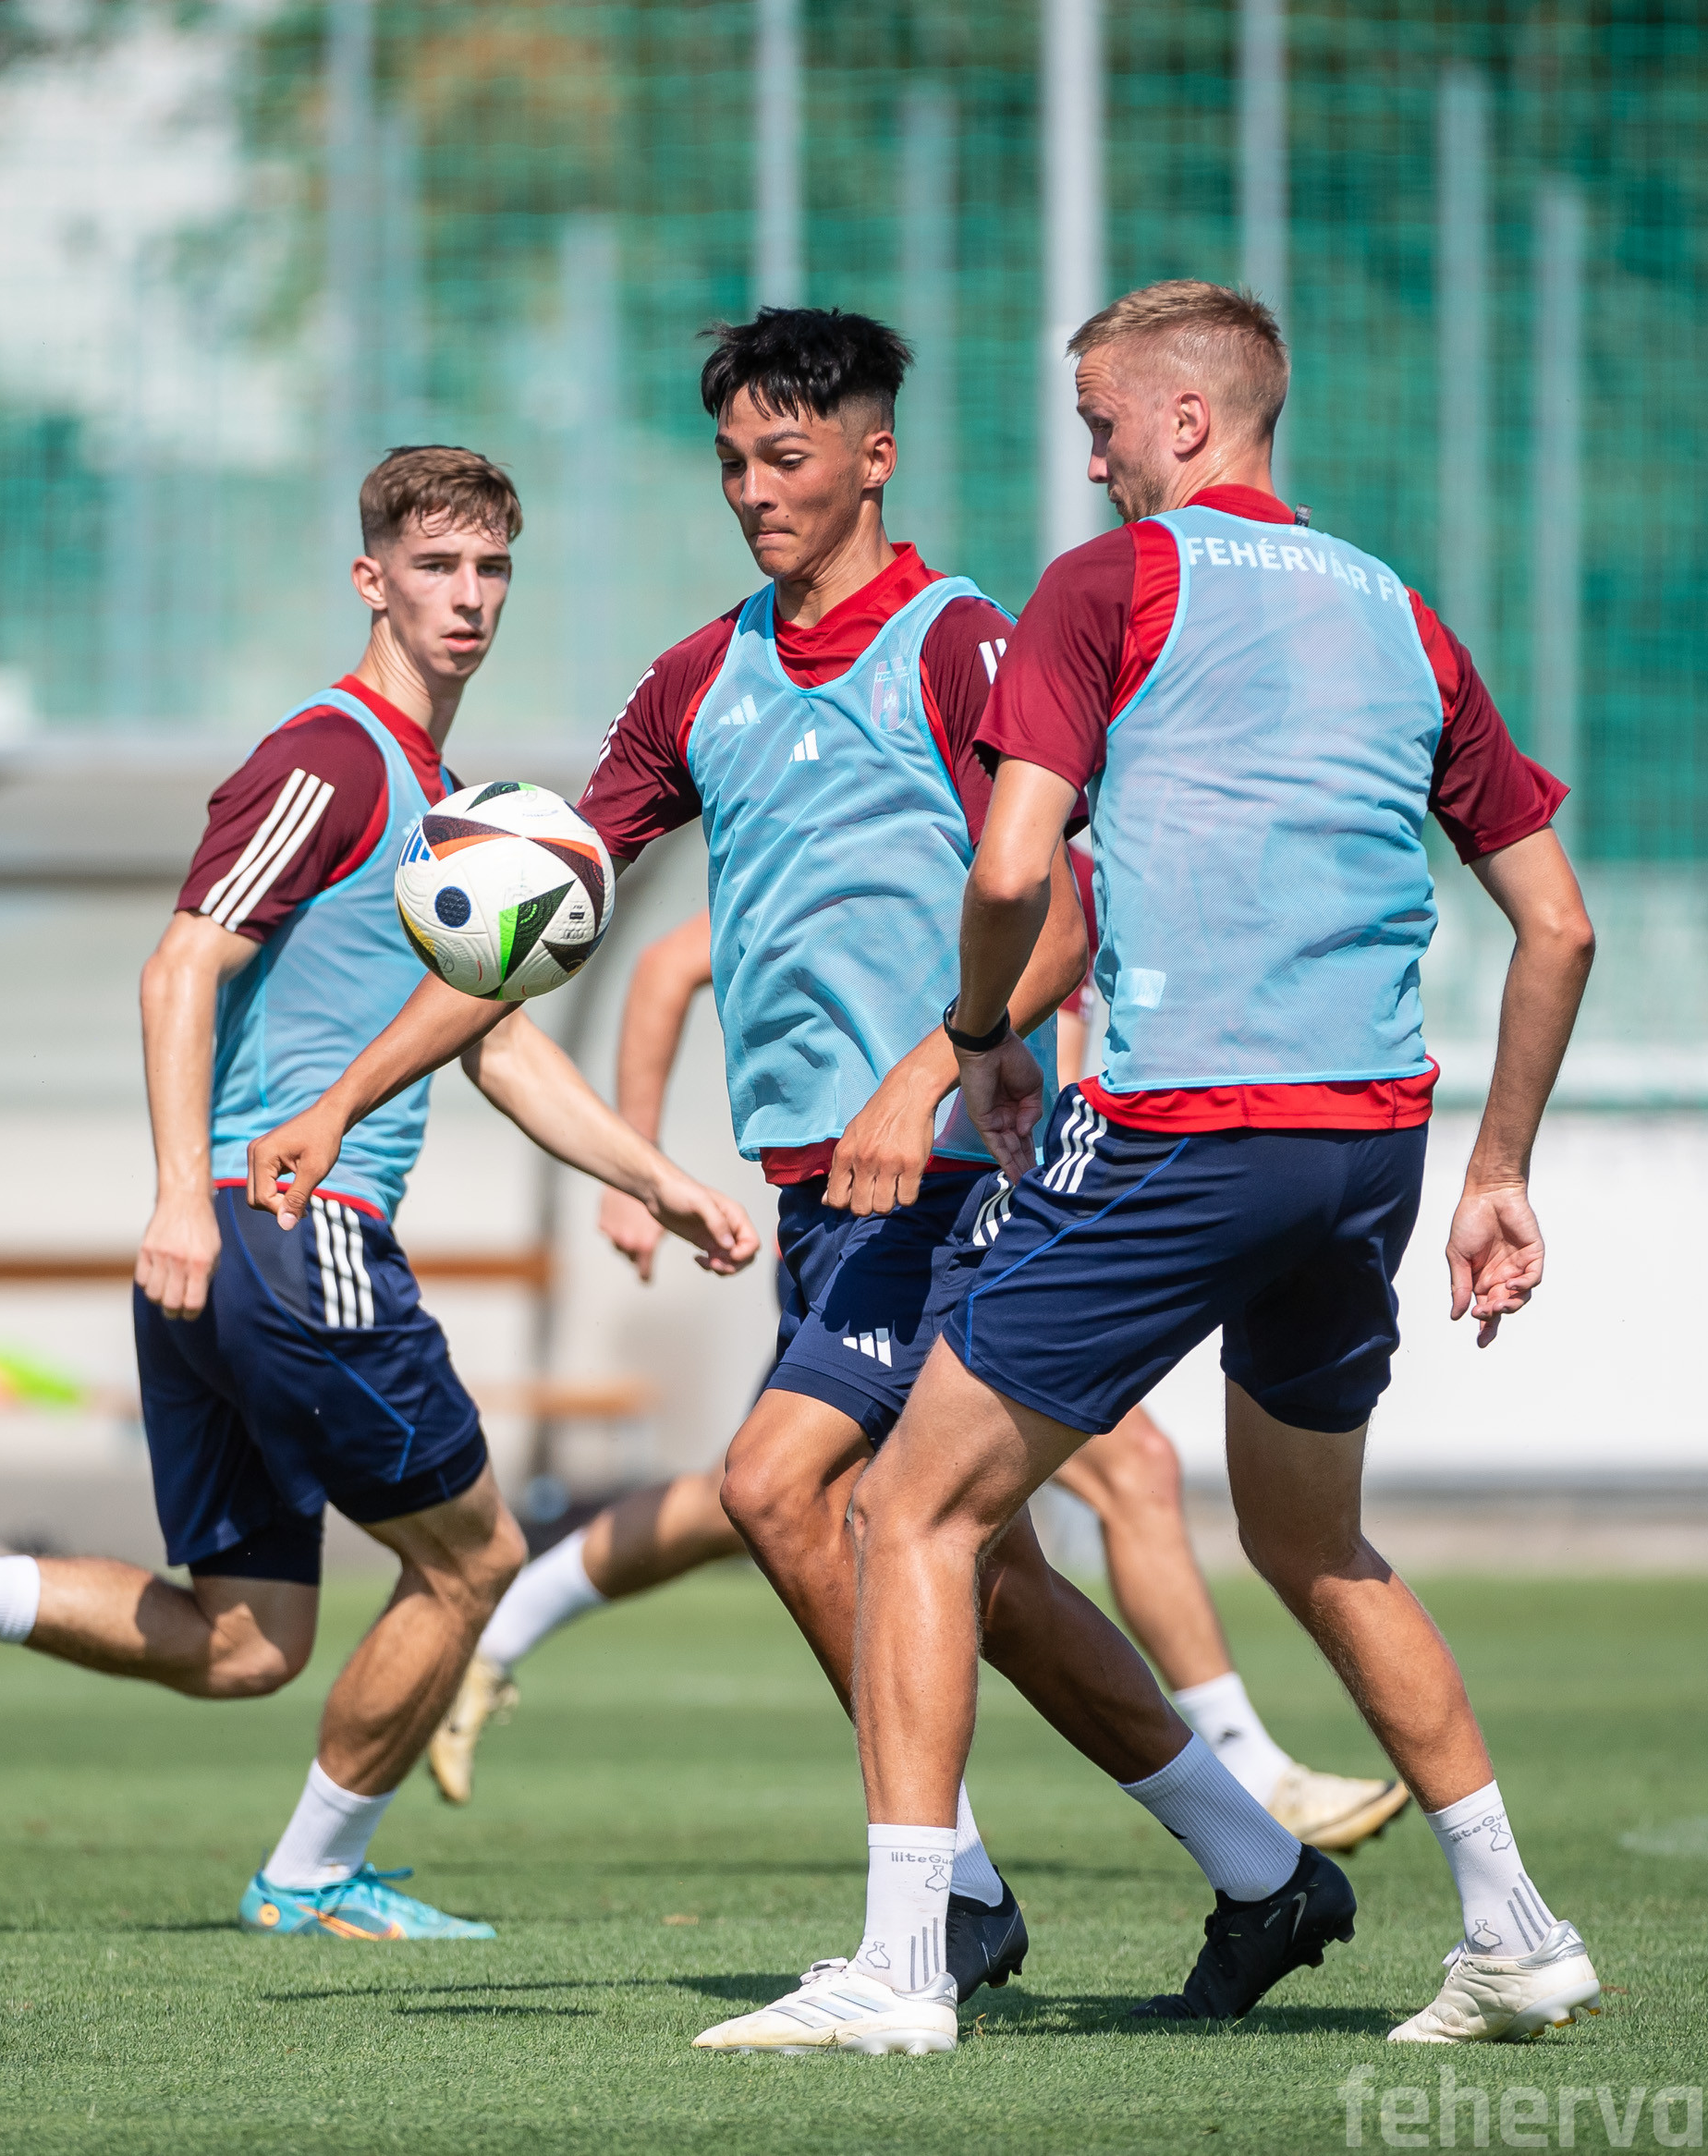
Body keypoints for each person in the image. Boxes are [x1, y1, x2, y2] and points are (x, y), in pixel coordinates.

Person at [253, 314, 1332, 2052]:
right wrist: (338, 1099)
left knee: (777, 1486)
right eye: (734, 463)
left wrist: (929, 1072)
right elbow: (535, 919)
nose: (755, 490)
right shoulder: (699, 678)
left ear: (873, 459)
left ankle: (944, 1902)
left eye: (789, 456)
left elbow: (1070, 914)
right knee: (981, 1573)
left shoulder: (961, 642)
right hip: (828, 1200)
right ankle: (1260, 1867)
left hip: (966, 1170)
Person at [0, 445, 757, 1943]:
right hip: (288, 1234)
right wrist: (182, 1195)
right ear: (371, 579)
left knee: (245, 1639)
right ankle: (309, 1875)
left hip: (237, 1255)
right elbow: (180, 965)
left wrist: (656, 1175)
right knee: (478, 1556)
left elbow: (493, 1046)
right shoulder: (333, 758)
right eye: (436, 565)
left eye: (491, 567)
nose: (469, 596)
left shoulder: (442, 803)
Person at [815, 280, 1599, 2053]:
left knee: (908, 1507)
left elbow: (1013, 865)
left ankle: (901, 1968)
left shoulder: (1110, 584)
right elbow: (1557, 925)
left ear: (1185, 418)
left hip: (1187, 1126)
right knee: (1312, 1536)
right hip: (1369, 1142)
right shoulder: (1403, 611)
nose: (1092, 462)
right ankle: (1515, 1928)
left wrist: (972, 1024)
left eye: (1101, 425)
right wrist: (1499, 1169)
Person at [439, 891, 1410, 1857]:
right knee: (870, 1493)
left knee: (806, 1498)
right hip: (902, 1217)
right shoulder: (973, 855)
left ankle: (1201, 1846)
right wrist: (639, 1172)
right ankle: (1233, 1792)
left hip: (1007, 1214)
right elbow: (662, 967)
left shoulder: (1100, 866)